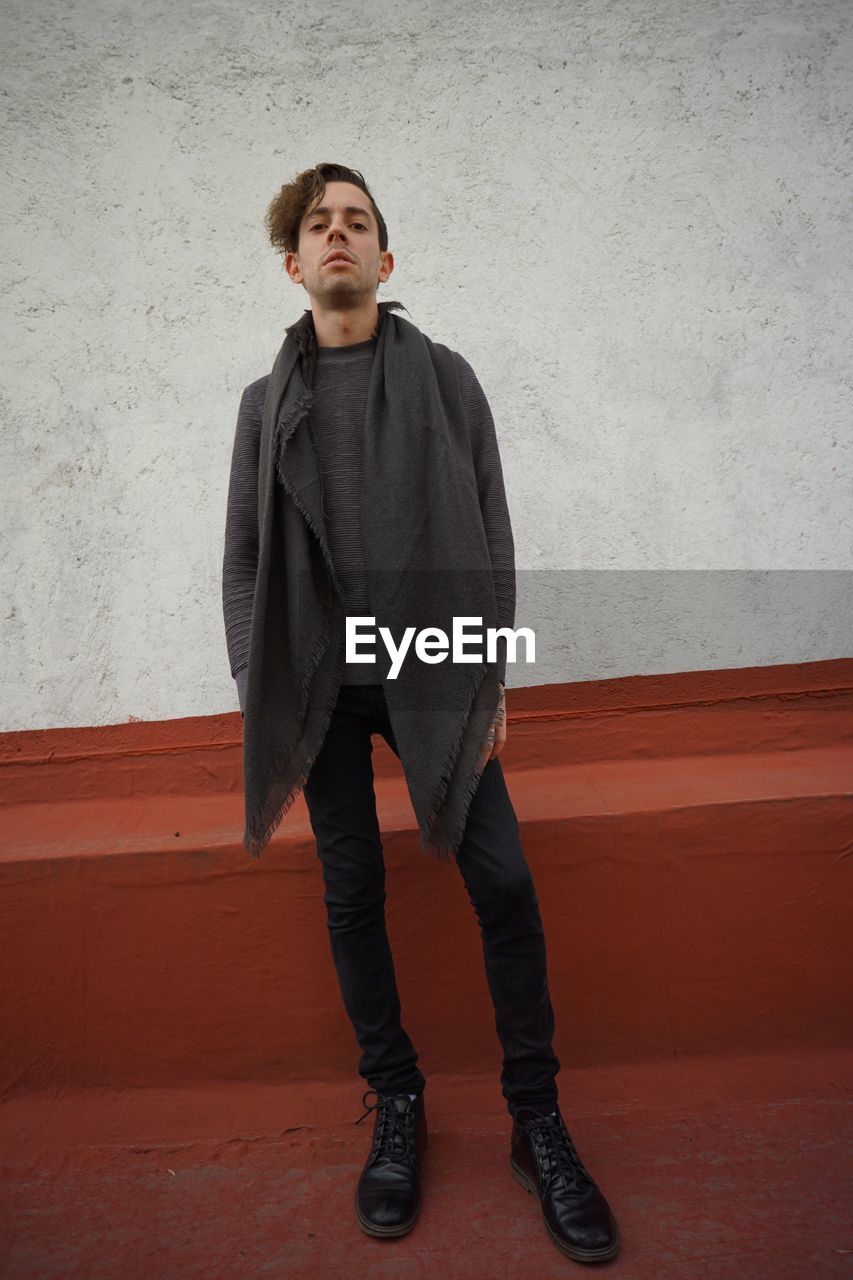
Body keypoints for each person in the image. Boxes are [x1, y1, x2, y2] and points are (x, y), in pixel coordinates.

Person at [221, 163, 620, 1263]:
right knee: (352, 890)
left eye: (357, 222)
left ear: (384, 261)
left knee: (502, 877)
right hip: (319, 685)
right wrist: (266, 698)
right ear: (294, 263)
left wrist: (487, 678)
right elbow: (246, 565)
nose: (337, 235)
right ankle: (396, 1101)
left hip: (432, 663)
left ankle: (534, 1119)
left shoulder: (446, 379)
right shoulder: (266, 406)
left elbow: (490, 536)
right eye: (318, 224)